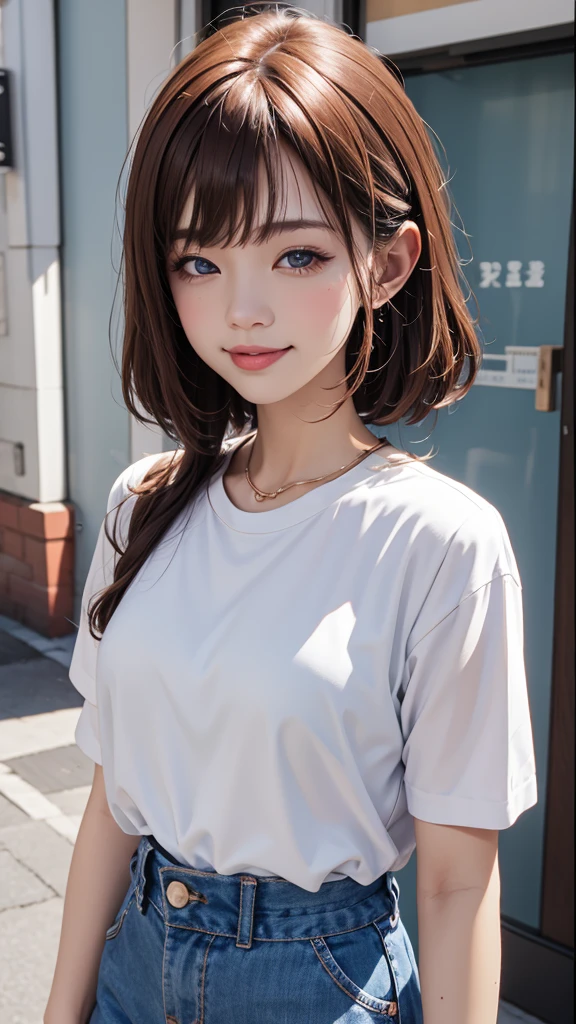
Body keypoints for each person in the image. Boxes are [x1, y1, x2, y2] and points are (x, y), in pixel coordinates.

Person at [44, 6, 538, 1023]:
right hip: (134, 966)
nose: (242, 309)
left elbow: (455, 879)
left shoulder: (439, 544)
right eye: (198, 261)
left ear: (388, 264)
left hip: (320, 985)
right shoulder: (145, 505)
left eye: (297, 255)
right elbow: (112, 799)